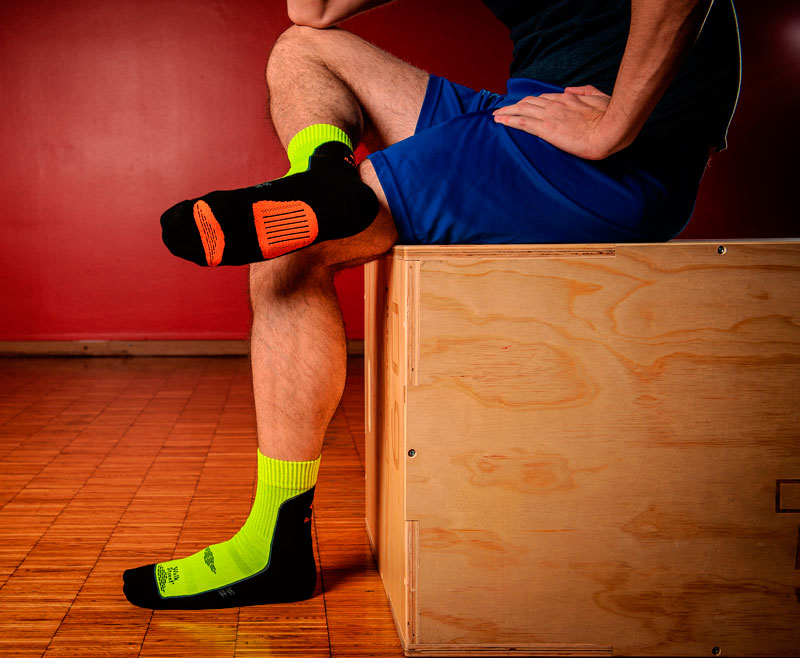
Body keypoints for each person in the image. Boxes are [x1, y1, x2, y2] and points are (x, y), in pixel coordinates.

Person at [123, 0, 741, 609]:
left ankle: (272, 546)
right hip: (528, 112)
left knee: (288, 257)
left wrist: (612, 129)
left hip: (616, 149)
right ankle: (326, 182)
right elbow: (314, 9)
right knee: (304, 50)